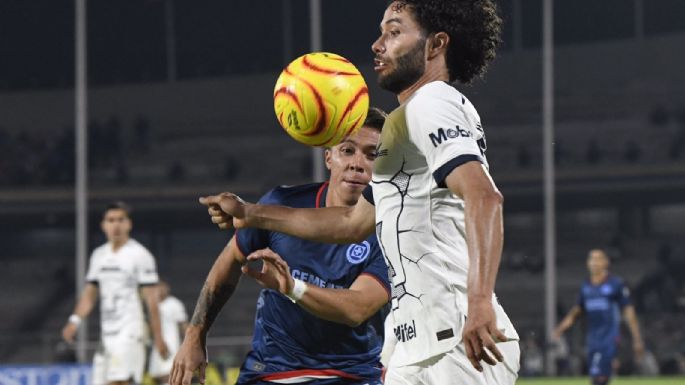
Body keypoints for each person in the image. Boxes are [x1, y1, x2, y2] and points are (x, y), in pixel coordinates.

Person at [198, 1, 520, 384]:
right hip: (414, 351)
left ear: (436, 45)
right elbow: (351, 222)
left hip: (456, 344)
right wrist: (251, 213)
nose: (377, 44)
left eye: (395, 32)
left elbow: (485, 197)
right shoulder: (402, 125)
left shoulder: (432, 102)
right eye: (382, 31)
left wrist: (480, 300)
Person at [171, 108, 391, 385]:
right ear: (329, 157)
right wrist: (194, 337)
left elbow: (356, 308)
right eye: (347, 151)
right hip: (269, 371)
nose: (357, 164)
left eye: (372, 155)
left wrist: (292, 287)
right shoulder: (281, 204)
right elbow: (229, 262)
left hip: (348, 375)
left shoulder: (390, 228)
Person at [61, 201, 168, 385]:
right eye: (111, 220)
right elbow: (90, 295)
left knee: (118, 382)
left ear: (129, 224)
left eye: (120, 219)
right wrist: (74, 321)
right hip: (107, 335)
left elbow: (151, 300)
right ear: (103, 225)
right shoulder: (99, 255)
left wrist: (158, 337)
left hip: (131, 331)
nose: (116, 224)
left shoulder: (140, 255)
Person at [554, 249, 645, 385]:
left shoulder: (616, 284)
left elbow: (628, 311)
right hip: (592, 338)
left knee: (599, 377)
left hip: (609, 338)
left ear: (606, 262)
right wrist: (560, 329)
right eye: (591, 259)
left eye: (598, 259)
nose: (594, 262)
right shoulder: (586, 286)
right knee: (597, 376)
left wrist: (637, 338)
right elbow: (576, 312)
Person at [149, 280, 189, 385]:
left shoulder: (174, 303)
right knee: (157, 376)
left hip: (171, 344)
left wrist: (189, 344)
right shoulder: (152, 305)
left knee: (169, 374)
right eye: (158, 287)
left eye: (163, 287)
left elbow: (184, 325)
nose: (160, 290)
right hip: (155, 345)